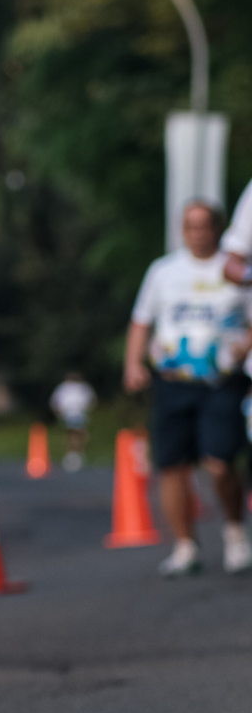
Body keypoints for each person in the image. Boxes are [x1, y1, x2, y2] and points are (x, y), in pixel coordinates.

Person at [124, 199, 252, 576]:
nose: (197, 233)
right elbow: (141, 319)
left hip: (221, 381)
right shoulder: (163, 271)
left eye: (204, 225)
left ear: (219, 229)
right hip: (173, 382)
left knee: (220, 463)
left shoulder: (236, 271)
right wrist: (133, 364)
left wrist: (246, 344)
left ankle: (234, 532)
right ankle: (185, 546)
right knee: (172, 466)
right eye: (190, 226)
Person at [49, 371, 96, 471]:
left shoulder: (75, 387)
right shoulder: (70, 387)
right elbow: (91, 401)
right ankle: (74, 455)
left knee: (74, 435)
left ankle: (75, 454)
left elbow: (55, 402)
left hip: (75, 414)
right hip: (73, 414)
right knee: (74, 435)